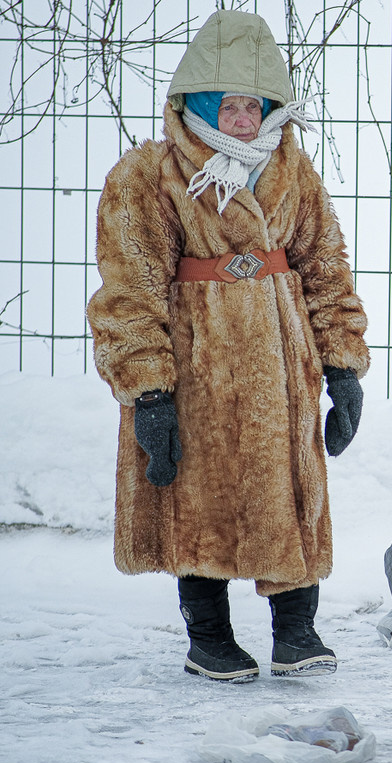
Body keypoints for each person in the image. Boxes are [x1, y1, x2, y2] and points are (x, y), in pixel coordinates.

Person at [86, 10, 370, 683]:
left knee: (291, 490)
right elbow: (130, 291)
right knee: (196, 496)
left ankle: (296, 632)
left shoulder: (293, 173)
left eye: (255, 106)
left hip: (281, 362)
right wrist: (148, 391)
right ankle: (208, 638)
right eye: (228, 106)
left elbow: (325, 268)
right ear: (198, 105)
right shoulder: (146, 176)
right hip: (196, 365)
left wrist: (342, 365)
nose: (243, 120)